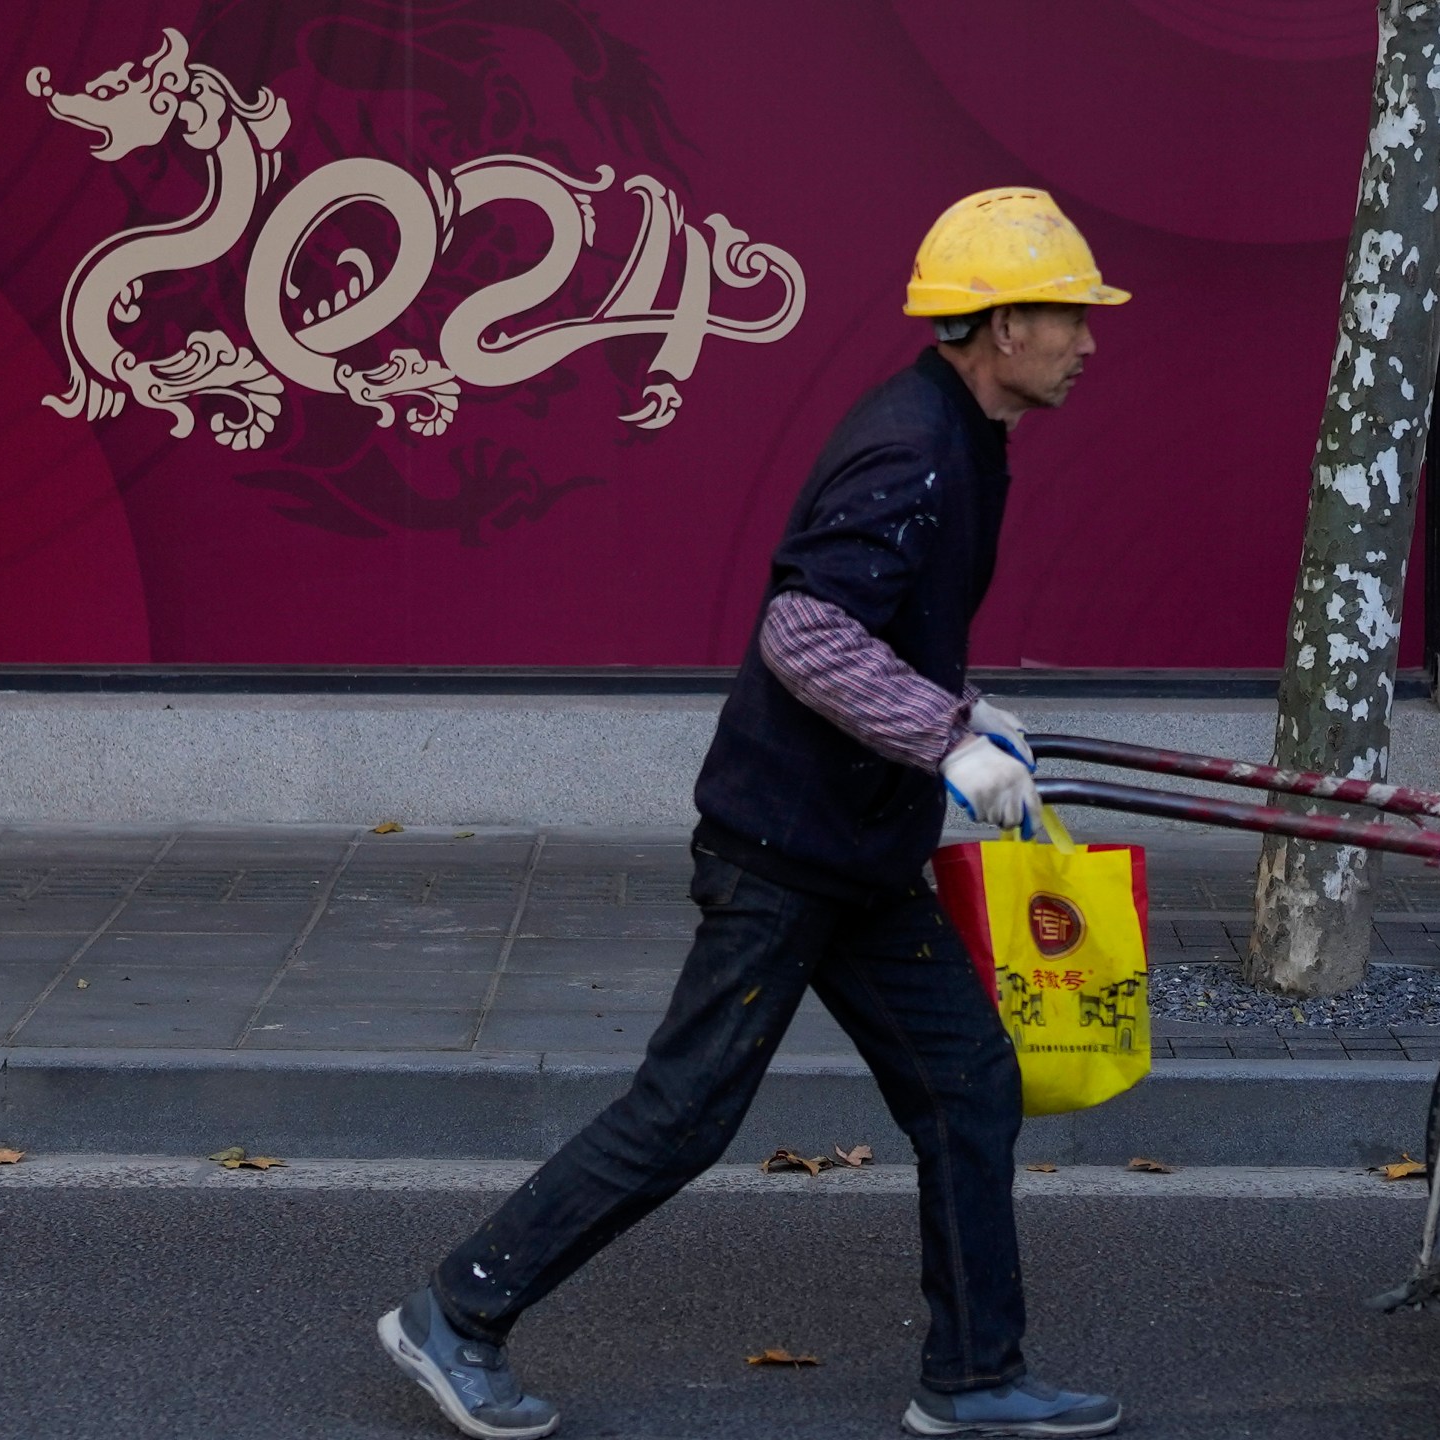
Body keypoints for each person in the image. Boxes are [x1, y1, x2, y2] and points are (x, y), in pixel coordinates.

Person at [375, 187, 1129, 1440]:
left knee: (968, 1089)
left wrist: (971, 712)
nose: (1088, 340)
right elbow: (806, 631)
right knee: (682, 1116)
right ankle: (457, 1313)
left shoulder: (965, 436)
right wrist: (944, 738)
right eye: (1069, 316)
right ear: (1001, 324)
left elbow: (883, 627)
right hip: (786, 852)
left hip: (856, 845)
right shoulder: (916, 445)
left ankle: (978, 1376)